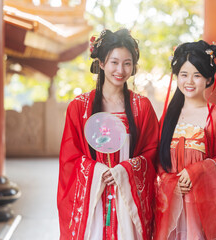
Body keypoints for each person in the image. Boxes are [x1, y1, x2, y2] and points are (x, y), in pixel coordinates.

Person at [57, 29, 159, 240]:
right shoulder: (79, 107)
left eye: (127, 63)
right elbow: (70, 158)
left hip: (127, 199)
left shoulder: (142, 107)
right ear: (101, 63)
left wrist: (125, 170)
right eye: (114, 62)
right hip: (93, 200)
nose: (120, 70)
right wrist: (97, 172)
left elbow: (153, 151)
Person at [154, 40, 216, 240]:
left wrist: (199, 169)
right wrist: (170, 182)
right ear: (177, 76)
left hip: (204, 203)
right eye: (184, 74)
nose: (189, 81)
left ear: (208, 79)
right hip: (173, 203)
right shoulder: (168, 117)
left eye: (197, 75)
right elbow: (158, 157)